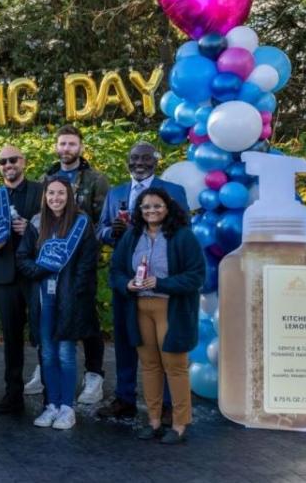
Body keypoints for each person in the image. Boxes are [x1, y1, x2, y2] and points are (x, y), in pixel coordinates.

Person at [95, 141, 189, 419]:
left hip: (159, 279)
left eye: (146, 158)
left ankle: (169, 404)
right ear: (128, 161)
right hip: (125, 278)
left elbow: (184, 231)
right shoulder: (116, 193)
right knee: (125, 339)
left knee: (163, 340)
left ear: (156, 161)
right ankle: (125, 398)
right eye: (134, 158)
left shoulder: (174, 192)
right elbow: (100, 230)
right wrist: (113, 232)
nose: (139, 163)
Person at [109, 188, 204, 444]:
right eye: (146, 207)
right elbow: (116, 270)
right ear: (139, 211)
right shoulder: (132, 237)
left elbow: (196, 276)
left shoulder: (183, 237)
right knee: (150, 366)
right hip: (140, 308)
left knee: (174, 366)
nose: (151, 211)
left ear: (168, 207)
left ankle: (180, 424)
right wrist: (127, 285)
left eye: (157, 206)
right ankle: (153, 421)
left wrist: (161, 283)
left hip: (170, 309)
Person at [18, 177, 100, 431]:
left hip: (69, 299)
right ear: (45, 196)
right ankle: (50, 405)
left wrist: (74, 294)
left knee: (65, 354)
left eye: (60, 193)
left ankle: (67, 408)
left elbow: (87, 265)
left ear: (69, 195)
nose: (55, 198)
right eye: (51, 193)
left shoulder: (81, 223)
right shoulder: (35, 222)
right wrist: (40, 270)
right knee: (47, 353)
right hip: (43, 298)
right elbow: (23, 257)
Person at [38, 124, 109, 405]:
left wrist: (88, 254)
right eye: (62, 144)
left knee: (86, 318)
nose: (66, 148)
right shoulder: (48, 177)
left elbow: (102, 220)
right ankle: (47, 368)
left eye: (71, 144)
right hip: (53, 264)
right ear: (56, 147)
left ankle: (94, 375)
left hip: (81, 261)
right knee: (52, 318)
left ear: (80, 146)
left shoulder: (95, 178)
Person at [0, 146, 44, 415]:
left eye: (12, 160)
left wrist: (30, 228)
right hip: (5, 274)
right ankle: (12, 394)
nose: (8, 165)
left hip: (35, 273)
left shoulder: (41, 191)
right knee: (12, 338)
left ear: (23, 162)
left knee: (42, 334)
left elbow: (53, 227)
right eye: (2, 161)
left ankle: (52, 394)